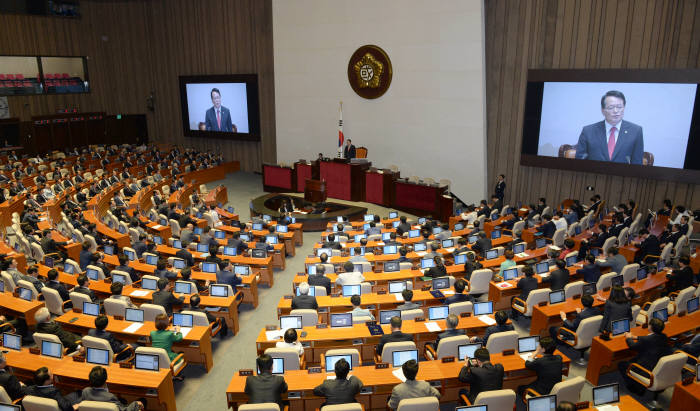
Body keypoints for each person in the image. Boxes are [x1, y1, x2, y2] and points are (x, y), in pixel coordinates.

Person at [575, 90, 644, 164]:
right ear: (603, 110)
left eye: (619, 107)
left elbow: (637, 163)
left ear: (624, 108)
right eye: (611, 107)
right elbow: (579, 161)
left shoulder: (636, 131)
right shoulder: (588, 131)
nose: (616, 111)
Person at [617, 318, 672, 394]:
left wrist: (628, 338)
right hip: (656, 365)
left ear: (650, 327)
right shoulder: (664, 336)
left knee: (621, 364)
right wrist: (636, 337)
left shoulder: (647, 340)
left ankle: (636, 387)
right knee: (632, 359)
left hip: (645, 369)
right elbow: (650, 339)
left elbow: (633, 346)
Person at [78, 366, 143, 410]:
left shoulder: (85, 391)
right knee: (142, 400)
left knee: (122, 400)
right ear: (105, 379)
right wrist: (136, 404)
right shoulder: (110, 397)